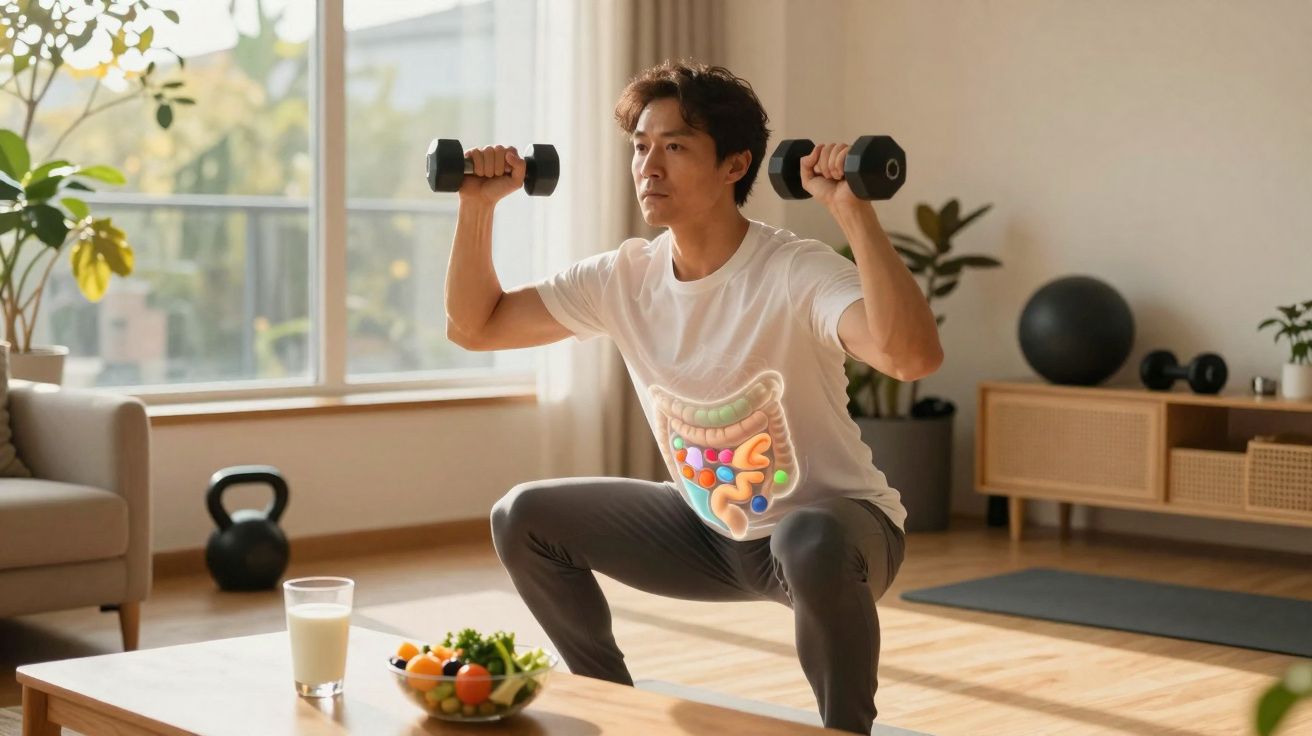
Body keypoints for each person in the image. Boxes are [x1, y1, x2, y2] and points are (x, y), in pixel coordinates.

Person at [445, 59, 942, 735]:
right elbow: (477, 327)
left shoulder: (793, 270)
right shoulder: (623, 277)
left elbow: (911, 357)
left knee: (807, 536)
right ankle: (612, 707)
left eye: (675, 147)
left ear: (735, 164)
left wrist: (853, 213)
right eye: (640, 147)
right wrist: (477, 206)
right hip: (710, 533)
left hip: (840, 535)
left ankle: (845, 730)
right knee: (523, 515)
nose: (649, 168)